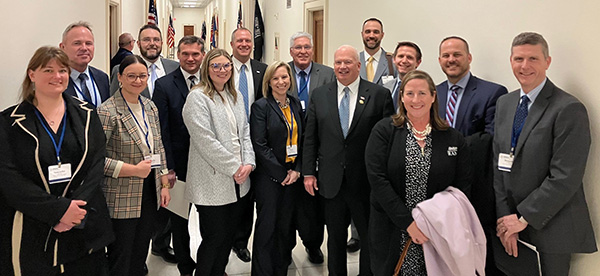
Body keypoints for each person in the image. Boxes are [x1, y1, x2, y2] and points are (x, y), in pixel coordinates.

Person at [0, 46, 114, 275]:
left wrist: (73, 212)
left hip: (83, 221)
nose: (57, 76)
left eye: (62, 70)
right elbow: (8, 177)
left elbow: (95, 164)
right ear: (32, 74)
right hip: (32, 227)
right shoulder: (10, 122)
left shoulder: (87, 114)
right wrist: (58, 211)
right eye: (48, 70)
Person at [494, 32, 597, 275]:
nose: (525, 66)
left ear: (547, 62)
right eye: (518, 59)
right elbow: (498, 163)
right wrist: (505, 219)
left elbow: (565, 176)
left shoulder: (568, 108)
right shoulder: (505, 103)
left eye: (533, 59)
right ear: (510, 61)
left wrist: (522, 218)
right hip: (511, 226)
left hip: (551, 228)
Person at [365, 70, 472, 275]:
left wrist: (435, 222)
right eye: (410, 93)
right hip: (392, 227)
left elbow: (462, 185)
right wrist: (409, 223)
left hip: (437, 231)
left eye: (422, 93)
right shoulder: (384, 131)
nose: (416, 100)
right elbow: (377, 179)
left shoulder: (452, 138)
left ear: (433, 96)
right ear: (402, 97)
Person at [303, 45, 394, 276]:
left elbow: (388, 142)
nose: (342, 67)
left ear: (358, 65)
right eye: (338, 62)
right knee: (335, 237)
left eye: (347, 62)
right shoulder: (320, 95)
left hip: (365, 181)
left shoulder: (378, 95)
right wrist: (308, 172)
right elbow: (311, 137)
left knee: (368, 236)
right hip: (331, 180)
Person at [436, 36, 508, 275]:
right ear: (439, 60)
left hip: (475, 184)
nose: (451, 60)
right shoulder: (434, 93)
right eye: (446, 56)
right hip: (439, 184)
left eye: (457, 54)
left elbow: (488, 139)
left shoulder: (493, 92)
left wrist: (448, 149)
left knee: (479, 250)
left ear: (468, 58)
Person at [182, 48, 255, 276]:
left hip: (238, 181)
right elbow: (205, 141)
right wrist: (234, 167)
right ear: (206, 69)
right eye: (216, 66)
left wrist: (249, 163)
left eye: (226, 66)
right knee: (214, 238)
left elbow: (245, 133)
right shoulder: (198, 97)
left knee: (228, 236)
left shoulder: (235, 96)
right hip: (211, 181)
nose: (222, 70)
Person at [97, 55, 171, 276]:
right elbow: (96, 160)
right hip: (121, 193)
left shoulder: (150, 107)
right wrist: (133, 170)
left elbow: (158, 146)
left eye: (142, 76)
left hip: (149, 189)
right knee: (122, 253)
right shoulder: (107, 111)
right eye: (131, 76)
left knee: (141, 250)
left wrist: (164, 182)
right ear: (119, 77)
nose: (138, 81)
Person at [152, 35, 205, 276]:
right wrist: (167, 169)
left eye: (195, 54)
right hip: (179, 167)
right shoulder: (164, 85)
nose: (191, 58)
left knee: (210, 222)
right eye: (185, 54)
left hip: (207, 166)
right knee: (180, 222)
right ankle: (186, 267)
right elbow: (160, 130)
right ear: (178, 55)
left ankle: (208, 263)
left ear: (203, 55)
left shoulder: (212, 80)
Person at [249, 61, 303, 275]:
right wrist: (282, 174)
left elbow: (303, 138)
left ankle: (281, 268)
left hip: (293, 177)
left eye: (285, 77)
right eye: (276, 78)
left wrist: (297, 169)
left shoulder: (295, 104)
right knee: (266, 228)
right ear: (269, 82)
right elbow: (259, 145)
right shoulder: (261, 106)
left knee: (285, 227)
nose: (281, 82)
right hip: (270, 179)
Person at [286, 31, 334, 264]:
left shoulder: (327, 74)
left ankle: (313, 245)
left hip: (317, 148)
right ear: (290, 51)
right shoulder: (280, 73)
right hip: (286, 149)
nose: (303, 51)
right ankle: (285, 247)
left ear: (312, 50)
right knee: (287, 205)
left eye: (306, 47)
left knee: (312, 205)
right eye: (298, 48)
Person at [229, 27, 267, 263]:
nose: (244, 44)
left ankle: (242, 242)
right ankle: (229, 238)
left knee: (251, 195)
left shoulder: (261, 70)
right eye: (239, 40)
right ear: (231, 44)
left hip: (258, 140)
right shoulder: (222, 68)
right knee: (234, 196)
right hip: (231, 141)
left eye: (247, 40)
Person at [110, 24, 179, 100]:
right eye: (146, 40)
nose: (152, 43)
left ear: (162, 43)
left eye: (156, 40)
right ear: (138, 44)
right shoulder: (121, 70)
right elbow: (114, 102)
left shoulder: (175, 67)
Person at [60, 21, 110, 107]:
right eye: (77, 43)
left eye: (88, 43)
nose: (84, 48)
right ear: (62, 47)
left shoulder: (102, 78)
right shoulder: (56, 80)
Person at [383, 41, 422, 111]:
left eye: (409, 57)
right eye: (401, 56)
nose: (404, 61)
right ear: (394, 59)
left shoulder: (423, 89)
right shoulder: (386, 86)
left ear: (418, 63)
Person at [359, 18, 396, 86]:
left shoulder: (393, 62)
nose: (371, 36)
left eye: (376, 32)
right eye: (368, 32)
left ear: (382, 35)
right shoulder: (354, 61)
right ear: (362, 34)